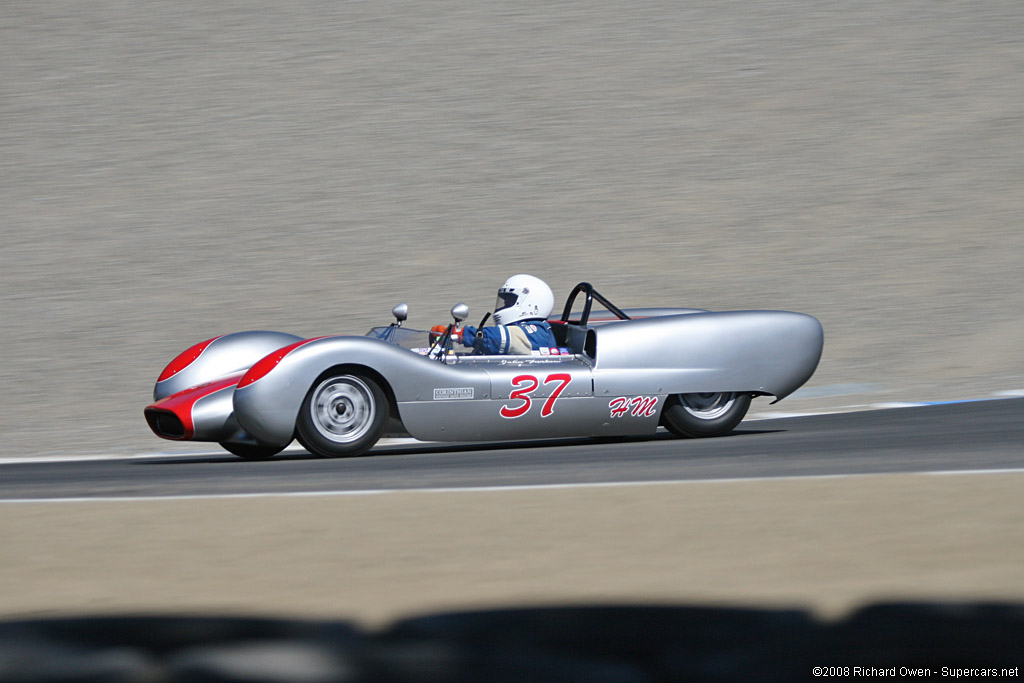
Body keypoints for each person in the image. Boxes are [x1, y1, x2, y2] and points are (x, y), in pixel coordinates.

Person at [431, 274, 558, 355]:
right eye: (505, 301)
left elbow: (501, 338)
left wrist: (460, 334)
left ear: (532, 304)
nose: (504, 305)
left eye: (509, 301)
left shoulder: (538, 332)